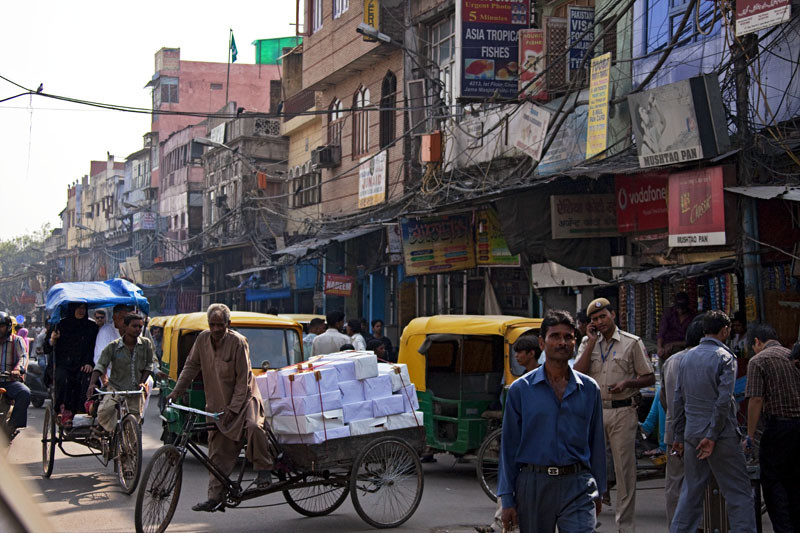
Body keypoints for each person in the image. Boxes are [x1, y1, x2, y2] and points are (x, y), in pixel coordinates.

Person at [498, 310, 606, 532]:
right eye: (555, 336)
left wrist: (600, 490)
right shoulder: (521, 390)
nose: (562, 342)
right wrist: (507, 498)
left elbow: (597, 444)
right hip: (534, 483)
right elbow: (508, 447)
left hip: (578, 483)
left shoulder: (589, 390)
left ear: (575, 342)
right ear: (542, 342)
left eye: (568, 337)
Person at [167, 304, 273, 512]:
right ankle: (215, 497)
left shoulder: (238, 342)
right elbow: (190, 366)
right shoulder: (202, 339)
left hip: (244, 400)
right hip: (217, 403)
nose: (216, 329)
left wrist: (234, 409)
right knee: (217, 452)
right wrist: (176, 391)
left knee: (253, 427)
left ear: (228, 324)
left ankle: (264, 469)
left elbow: (243, 380)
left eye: (220, 325)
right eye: (212, 324)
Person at [669, 310, 756, 532]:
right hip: (721, 435)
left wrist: (678, 436)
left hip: (692, 433)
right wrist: (712, 435)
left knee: (691, 492)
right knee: (738, 493)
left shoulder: (686, 357)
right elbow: (724, 400)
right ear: (725, 330)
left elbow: (677, 399)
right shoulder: (725, 357)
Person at [574, 297, 654, 533]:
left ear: (613, 315)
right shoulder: (588, 343)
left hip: (623, 411)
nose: (600, 322)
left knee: (625, 471)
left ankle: (625, 527)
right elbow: (577, 372)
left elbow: (649, 377)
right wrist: (589, 342)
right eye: (595, 319)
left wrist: (628, 382)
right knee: (588, 467)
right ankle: (587, 520)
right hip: (595, 412)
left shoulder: (631, 343)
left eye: (603, 316)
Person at [743, 323, 800, 532]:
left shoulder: (759, 361)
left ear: (757, 342)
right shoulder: (791, 355)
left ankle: (784, 529)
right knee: (794, 481)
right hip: (797, 425)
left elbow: (756, 399)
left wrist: (749, 435)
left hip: (778, 428)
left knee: (774, 482)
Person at [660, 314, 705, 528]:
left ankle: (675, 527)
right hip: (696, 431)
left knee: (675, 484)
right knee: (698, 482)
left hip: (673, 430)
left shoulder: (670, 361)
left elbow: (663, 399)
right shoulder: (702, 359)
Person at [87, 313, 154, 433]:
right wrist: (92, 383)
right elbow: (101, 365)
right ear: (125, 327)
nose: (138, 329)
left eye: (140, 326)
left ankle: (128, 446)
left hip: (135, 390)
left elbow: (149, 365)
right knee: (104, 412)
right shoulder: (113, 346)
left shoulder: (146, 344)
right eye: (134, 326)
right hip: (116, 388)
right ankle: (113, 433)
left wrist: (142, 382)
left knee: (135, 421)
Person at [44, 303, 97, 424]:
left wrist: (89, 362)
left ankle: (87, 406)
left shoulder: (91, 327)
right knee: (63, 378)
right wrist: (53, 339)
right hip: (63, 365)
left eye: (83, 308)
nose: (81, 310)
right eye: (78, 307)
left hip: (83, 364)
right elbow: (46, 348)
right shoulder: (59, 326)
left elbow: (93, 347)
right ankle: (65, 409)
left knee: (88, 378)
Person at [0, 312, 30, 440]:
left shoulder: (17, 340)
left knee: (25, 393)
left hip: (9, 381)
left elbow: (23, 356)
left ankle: (12, 427)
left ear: (7, 327)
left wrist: (18, 369)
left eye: (1, 326)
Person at [657, 292, 695, 358]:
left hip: (683, 348)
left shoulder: (692, 317)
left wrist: (673, 344)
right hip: (666, 345)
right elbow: (661, 332)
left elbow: (691, 341)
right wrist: (660, 347)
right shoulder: (669, 313)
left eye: (683, 308)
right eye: (679, 308)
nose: (681, 310)